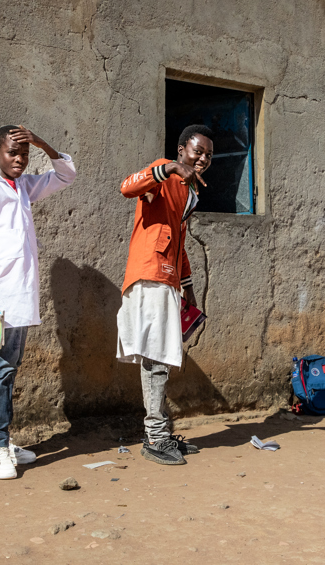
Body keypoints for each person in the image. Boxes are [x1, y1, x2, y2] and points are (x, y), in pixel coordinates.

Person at [0, 125, 76, 479]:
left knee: (9, 366)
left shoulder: (25, 186)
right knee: (2, 367)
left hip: (20, 291)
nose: (20, 160)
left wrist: (42, 144)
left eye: (25, 154)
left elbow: (66, 174)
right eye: (13, 153)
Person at [116, 124, 213, 465]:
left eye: (208, 155)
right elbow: (127, 187)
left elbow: (179, 242)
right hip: (150, 274)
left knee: (161, 358)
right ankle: (155, 436)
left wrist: (189, 289)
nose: (202, 158)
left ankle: (158, 431)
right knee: (156, 358)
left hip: (168, 280)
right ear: (182, 148)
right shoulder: (164, 173)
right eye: (197, 151)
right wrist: (170, 167)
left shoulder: (188, 193)